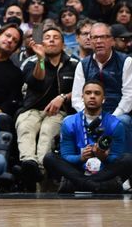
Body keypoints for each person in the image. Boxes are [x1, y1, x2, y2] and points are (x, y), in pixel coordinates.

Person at [15, 27, 78, 190]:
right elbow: (36, 81)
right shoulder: (31, 62)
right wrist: (41, 59)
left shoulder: (74, 64)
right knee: (25, 125)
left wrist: (62, 97)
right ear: (41, 42)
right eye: (47, 37)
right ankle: (29, 163)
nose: (51, 40)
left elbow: (81, 89)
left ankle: (39, 171)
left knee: (47, 132)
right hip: (32, 109)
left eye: (56, 37)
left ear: (63, 44)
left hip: (59, 112)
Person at [44, 80, 132, 193]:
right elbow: (66, 155)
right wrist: (81, 158)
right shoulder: (69, 122)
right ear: (82, 97)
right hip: (78, 170)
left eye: (97, 93)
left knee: (129, 159)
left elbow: (117, 157)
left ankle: (78, 185)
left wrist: (103, 157)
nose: (92, 96)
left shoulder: (115, 124)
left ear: (103, 99)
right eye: (88, 93)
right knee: (49, 158)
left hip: (104, 172)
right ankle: (99, 186)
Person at [71, 22, 132, 149]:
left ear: (112, 41)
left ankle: (124, 163)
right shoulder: (82, 65)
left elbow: (129, 96)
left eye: (103, 37)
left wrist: (111, 119)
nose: (99, 41)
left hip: (117, 112)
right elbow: (76, 98)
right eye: (94, 37)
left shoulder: (126, 61)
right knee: (69, 122)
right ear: (90, 41)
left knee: (124, 121)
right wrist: (90, 117)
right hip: (89, 113)